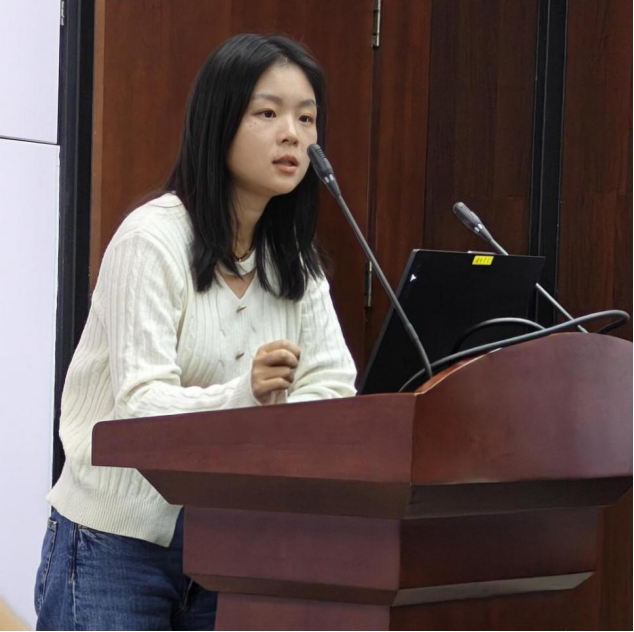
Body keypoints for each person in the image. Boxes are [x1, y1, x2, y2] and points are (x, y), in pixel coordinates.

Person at [34, 33, 357, 631]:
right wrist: (246, 396)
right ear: (218, 122)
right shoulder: (151, 240)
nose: (293, 135)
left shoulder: (296, 261)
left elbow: (333, 388)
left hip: (232, 540)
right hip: (117, 543)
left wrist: (271, 412)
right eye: (268, 113)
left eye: (307, 118)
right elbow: (140, 405)